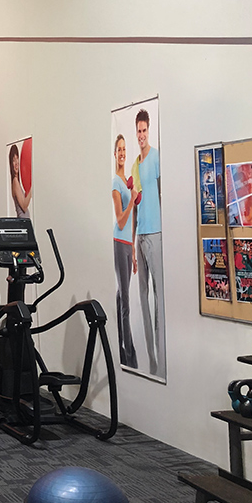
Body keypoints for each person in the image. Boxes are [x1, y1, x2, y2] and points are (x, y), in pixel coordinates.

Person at [131, 109, 166, 379]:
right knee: (142, 299)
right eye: (138, 131)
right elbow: (134, 207)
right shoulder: (135, 165)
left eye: (145, 130)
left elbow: (163, 192)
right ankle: (150, 360)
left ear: (149, 130)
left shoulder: (155, 159)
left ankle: (161, 360)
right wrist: (132, 243)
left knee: (158, 298)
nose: (141, 135)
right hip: (140, 235)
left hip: (156, 233)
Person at [111, 135, 137, 368]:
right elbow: (120, 221)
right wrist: (132, 202)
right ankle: (129, 354)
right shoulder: (116, 184)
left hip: (128, 245)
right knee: (125, 299)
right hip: (119, 242)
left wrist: (135, 253)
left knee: (122, 296)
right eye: (119, 149)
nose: (122, 152)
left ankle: (124, 346)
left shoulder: (125, 179)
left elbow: (131, 224)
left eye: (124, 149)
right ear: (114, 153)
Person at [8, 144, 32, 218]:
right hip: (23, 223)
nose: (16, 163)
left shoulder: (16, 181)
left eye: (17, 158)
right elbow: (24, 206)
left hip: (23, 222)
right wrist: (32, 189)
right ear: (11, 164)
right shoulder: (15, 181)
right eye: (13, 160)